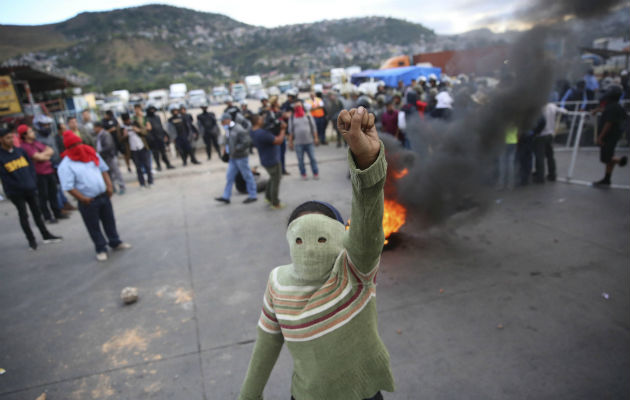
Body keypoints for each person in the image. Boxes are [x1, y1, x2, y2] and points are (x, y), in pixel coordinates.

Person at [238, 106, 394, 400]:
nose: (311, 246)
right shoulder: (281, 282)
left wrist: (367, 162)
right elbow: (266, 345)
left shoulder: (352, 270)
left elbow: (367, 232)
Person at [57, 130, 131, 261]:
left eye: (79, 143)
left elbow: (103, 170)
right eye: (74, 146)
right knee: (93, 226)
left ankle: (115, 241)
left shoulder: (91, 153)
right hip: (88, 201)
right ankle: (100, 248)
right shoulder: (66, 165)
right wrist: (82, 198)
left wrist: (109, 186)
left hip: (103, 195)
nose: (78, 147)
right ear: (68, 148)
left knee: (109, 221)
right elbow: (68, 186)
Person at [0, 128, 62, 250]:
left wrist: (32, 182)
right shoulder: (1, 157)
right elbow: (5, 177)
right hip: (16, 192)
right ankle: (31, 240)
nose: (11, 140)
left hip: (30, 188)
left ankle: (46, 235)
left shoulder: (20, 151)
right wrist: (15, 188)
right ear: (1, 140)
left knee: (37, 213)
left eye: (12, 137)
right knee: (23, 215)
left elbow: (31, 168)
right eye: (8, 138)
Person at [18, 124, 69, 223]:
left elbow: (51, 150)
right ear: (24, 135)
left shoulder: (36, 143)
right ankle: (47, 216)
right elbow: (38, 157)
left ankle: (57, 212)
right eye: (30, 132)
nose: (33, 133)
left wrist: (43, 156)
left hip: (49, 171)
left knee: (53, 193)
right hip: (38, 174)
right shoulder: (25, 147)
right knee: (43, 196)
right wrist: (44, 156)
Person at [215, 113, 258, 204]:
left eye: (223, 122)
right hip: (233, 158)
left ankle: (253, 195)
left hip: (241, 157)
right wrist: (226, 150)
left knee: (247, 175)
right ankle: (226, 197)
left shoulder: (238, 129)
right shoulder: (228, 129)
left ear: (228, 120)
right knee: (229, 177)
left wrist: (236, 149)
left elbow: (246, 142)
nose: (222, 124)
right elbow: (227, 140)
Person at [593, 86, 628, 187]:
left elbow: (608, 123)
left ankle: (620, 160)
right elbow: (608, 111)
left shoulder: (612, 107)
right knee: (609, 157)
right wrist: (598, 110)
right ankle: (607, 178)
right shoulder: (617, 106)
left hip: (608, 136)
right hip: (614, 135)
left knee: (606, 158)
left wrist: (600, 137)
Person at [250, 114, 286, 209]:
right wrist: (283, 129)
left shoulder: (253, 131)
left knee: (272, 178)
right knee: (276, 180)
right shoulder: (262, 133)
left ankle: (268, 197)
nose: (263, 120)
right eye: (261, 119)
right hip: (272, 159)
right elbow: (278, 141)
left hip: (266, 158)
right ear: (257, 121)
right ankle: (275, 203)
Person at [534, 102, 567, 183]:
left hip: (540, 135)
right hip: (550, 134)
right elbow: (564, 111)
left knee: (540, 157)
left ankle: (540, 177)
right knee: (550, 156)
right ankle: (552, 174)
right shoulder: (552, 106)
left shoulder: (538, 107)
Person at [288, 101, 320, 180]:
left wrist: (316, 138)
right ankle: (303, 174)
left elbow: (314, 127)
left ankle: (315, 173)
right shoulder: (292, 117)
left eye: (299, 105)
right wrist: (290, 142)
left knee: (312, 158)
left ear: (302, 106)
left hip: (309, 142)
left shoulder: (308, 115)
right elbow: (290, 131)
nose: (298, 107)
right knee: (300, 160)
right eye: (296, 106)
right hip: (298, 143)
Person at [95, 121, 126, 194]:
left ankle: (122, 186)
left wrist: (99, 152)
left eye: (95, 128)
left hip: (109, 156)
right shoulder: (99, 135)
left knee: (116, 172)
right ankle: (113, 187)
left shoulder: (105, 134)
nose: (94, 129)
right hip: (104, 157)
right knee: (109, 173)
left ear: (99, 127)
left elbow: (108, 146)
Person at [126, 110, 154, 187]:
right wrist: (125, 134)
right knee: (138, 168)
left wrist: (138, 130)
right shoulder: (124, 128)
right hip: (134, 150)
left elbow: (146, 131)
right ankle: (142, 183)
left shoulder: (137, 125)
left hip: (143, 148)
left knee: (147, 166)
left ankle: (150, 181)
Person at [146, 106, 174, 170]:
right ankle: (158, 166)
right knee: (156, 154)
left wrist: (165, 135)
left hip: (160, 137)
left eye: (153, 109)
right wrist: (151, 138)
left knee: (163, 152)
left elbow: (160, 127)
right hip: (153, 139)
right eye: (151, 110)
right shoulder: (147, 118)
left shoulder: (157, 117)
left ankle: (168, 164)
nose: (152, 111)